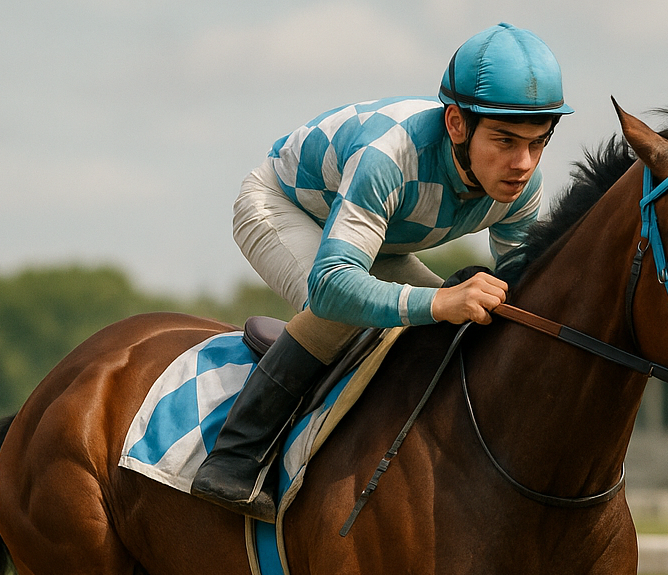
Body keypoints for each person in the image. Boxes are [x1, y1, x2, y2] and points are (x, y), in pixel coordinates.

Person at [191, 22, 572, 521]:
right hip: (284, 207)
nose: (522, 164)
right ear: (456, 124)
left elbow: (523, 290)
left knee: (468, 325)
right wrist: (438, 302)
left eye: (537, 143)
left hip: (380, 236)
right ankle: (233, 456)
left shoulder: (523, 185)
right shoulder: (389, 156)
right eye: (504, 140)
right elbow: (332, 287)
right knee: (343, 309)